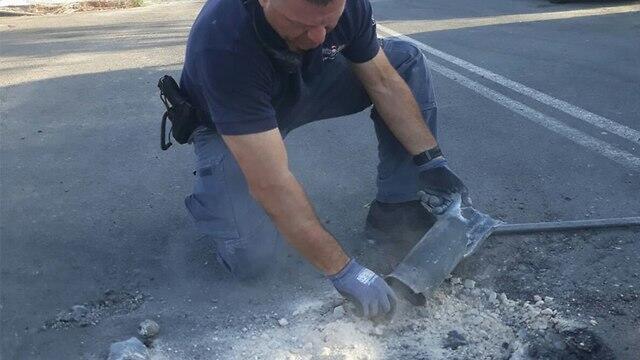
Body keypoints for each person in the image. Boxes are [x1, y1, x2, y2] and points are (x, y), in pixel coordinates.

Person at [179, 0, 469, 319]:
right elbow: (271, 182)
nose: (317, 37)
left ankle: (396, 207)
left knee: (403, 60)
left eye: (328, 24)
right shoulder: (224, 45)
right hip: (229, 123)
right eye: (300, 23)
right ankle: (220, 209)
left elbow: (383, 82)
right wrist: (344, 271)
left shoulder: (347, 8)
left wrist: (430, 160)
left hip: (300, 84)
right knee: (252, 260)